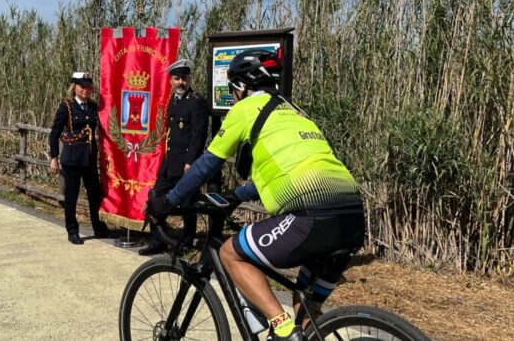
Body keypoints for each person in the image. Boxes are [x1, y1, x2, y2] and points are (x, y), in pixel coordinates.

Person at [148, 49, 365, 340]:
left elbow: (206, 164)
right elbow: (286, 169)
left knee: (230, 254)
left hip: (311, 216)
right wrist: (236, 193)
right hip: (351, 215)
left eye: (231, 89)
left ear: (240, 87)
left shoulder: (247, 107)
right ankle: (296, 330)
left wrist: (168, 202)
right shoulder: (295, 112)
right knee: (306, 314)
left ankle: (280, 325)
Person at [138, 59, 209, 256]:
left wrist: (190, 162)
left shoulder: (197, 102)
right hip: (170, 163)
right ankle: (158, 240)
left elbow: (198, 135)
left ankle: (185, 244)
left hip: (186, 163)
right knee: (155, 198)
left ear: (189, 79)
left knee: (188, 206)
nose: (181, 82)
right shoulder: (172, 101)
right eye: (177, 78)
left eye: (184, 78)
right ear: (171, 80)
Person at [49, 72, 111, 245]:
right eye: (82, 86)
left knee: (94, 194)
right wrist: (54, 157)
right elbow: (54, 134)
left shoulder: (92, 106)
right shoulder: (66, 107)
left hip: (89, 159)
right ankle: (72, 230)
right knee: (72, 195)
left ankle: (98, 227)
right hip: (72, 159)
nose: (86, 90)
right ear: (74, 87)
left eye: (88, 87)